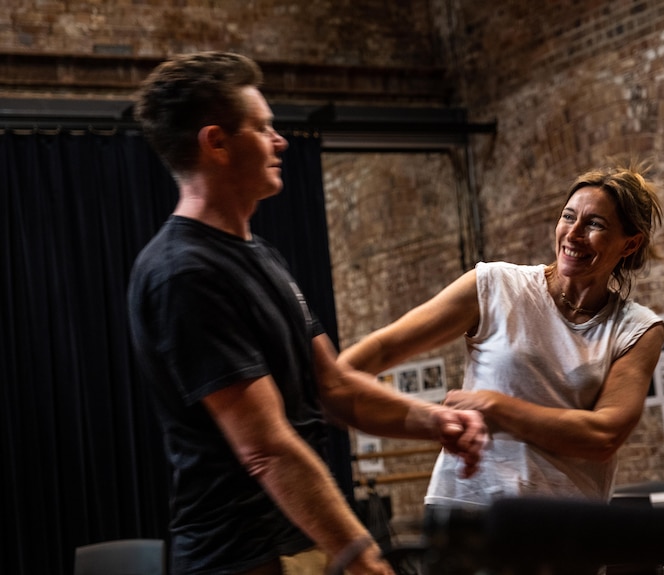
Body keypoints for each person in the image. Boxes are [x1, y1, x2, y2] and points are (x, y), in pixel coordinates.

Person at [126, 51, 486, 575]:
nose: (281, 141)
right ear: (216, 143)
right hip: (242, 559)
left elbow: (334, 388)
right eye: (263, 127)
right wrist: (362, 556)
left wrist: (436, 422)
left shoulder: (260, 254)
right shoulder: (184, 274)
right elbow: (266, 449)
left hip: (299, 543)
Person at [338, 165, 664, 509]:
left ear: (630, 244)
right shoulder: (494, 285)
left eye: (595, 224)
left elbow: (602, 436)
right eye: (568, 217)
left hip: (568, 523)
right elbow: (380, 350)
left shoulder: (638, 329)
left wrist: (494, 405)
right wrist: (340, 386)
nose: (573, 234)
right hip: (470, 506)